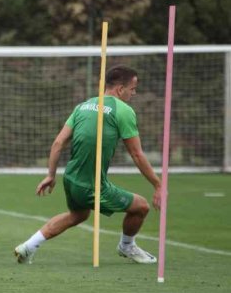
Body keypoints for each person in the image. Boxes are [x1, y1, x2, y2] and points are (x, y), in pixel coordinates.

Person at [14, 65, 160, 264]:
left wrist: (50, 175)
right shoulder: (124, 111)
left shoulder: (83, 105)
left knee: (78, 215)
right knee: (141, 206)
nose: (134, 94)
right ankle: (127, 246)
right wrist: (158, 185)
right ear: (120, 89)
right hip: (92, 185)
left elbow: (58, 143)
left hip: (71, 179)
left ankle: (28, 246)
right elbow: (136, 153)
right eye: (132, 89)